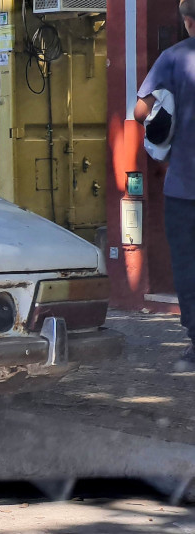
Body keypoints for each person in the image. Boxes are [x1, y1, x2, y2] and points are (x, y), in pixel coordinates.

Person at [134, 0, 195, 367]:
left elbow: (141, 110)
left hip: (185, 188)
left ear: (188, 21)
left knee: (188, 268)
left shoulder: (173, 59)